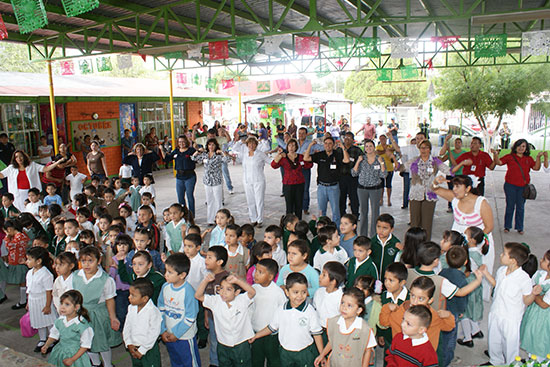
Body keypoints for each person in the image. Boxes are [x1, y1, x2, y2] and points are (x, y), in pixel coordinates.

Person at [432, 175, 496, 300]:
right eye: (453, 186)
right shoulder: (454, 199)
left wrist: (472, 242)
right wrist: (435, 181)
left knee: (477, 270)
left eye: (458, 186)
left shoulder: (481, 203)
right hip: (458, 239)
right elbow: (434, 189)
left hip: (478, 240)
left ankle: (476, 299)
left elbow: (489, 226)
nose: (454, 190)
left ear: (468, 188)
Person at [481, 242, 541, 365]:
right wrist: (486, 274)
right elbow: (497, 285)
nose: (501, 255)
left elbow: (526, 301)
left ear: (513, 260)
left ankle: (511, 363)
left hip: (511, 318)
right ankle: (495, 360)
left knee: (510, 345)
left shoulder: (524, 278)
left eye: (504, 254)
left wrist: (533, 294)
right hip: (496, 312)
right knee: (494, 340)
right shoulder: (501, 271)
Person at [251, 272, 324, 366]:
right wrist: (256, 336)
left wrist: (322, 354)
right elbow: (271, 328)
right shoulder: (281, 309)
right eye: (295, 292)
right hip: (285, 352)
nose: (300, 296)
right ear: (287, 292)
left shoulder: (310, 311)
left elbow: (317, 334)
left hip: (305, 352)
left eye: (304, 292)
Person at [70, 246, 121, 367]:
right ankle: (96, 363)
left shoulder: (105, 280)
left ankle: (108, 364)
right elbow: (71, 296)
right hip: (81, 314)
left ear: (98, 261)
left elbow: (110, 300)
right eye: (83, 261)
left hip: (98, 315)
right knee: (86, 342)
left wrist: (113, 317)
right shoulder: (76, 276)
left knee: (101, 342)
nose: (87, 265)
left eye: (90, 261)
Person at [196, 273, 256, 366]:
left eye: (228, 289)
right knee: (224, 363)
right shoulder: (216, 301)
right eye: (221, 288)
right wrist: (205, 281)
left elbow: (252, 292)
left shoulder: (241, 300)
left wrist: (237, 281)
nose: (223, 292)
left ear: (236, 292)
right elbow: (198, 296)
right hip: (223, 343)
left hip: (241, 343)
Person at [157, 253, 201, 367]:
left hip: (185, 337)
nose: (166, 274)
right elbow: (160, 309)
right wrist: (163, 330)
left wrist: (176, 333)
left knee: (190, 362)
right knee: (175, 361)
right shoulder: (165, 287)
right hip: (169, 334)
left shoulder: (189, 291)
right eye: (166, 270)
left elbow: (190, 317)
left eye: (170, 272)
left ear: (182, 275)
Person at [315, 287, 377, 367]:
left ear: (358, 310)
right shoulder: (334, 322)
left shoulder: (365, 329)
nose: (344, 307)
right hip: (335, 363)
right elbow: (332, 342)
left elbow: (368, 351)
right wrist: (322, 355)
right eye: (342, 303)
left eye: (349, 305)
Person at [492, 139, 542, 234]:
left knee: (520, 207)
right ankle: (507, 226)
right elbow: (499, 162)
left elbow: (536, 167)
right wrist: (495, 154)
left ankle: (519, 227)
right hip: (510, 186)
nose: (521, 148)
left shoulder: (528, 159)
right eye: (519, 146)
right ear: (515, 147)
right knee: (510, 206)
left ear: (526, 148)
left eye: (523, 146)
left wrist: (539, 158)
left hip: (523, 187)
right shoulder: (510, 157)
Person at [406, 140, 449, 240]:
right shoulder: (414, 160)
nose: (423, 150)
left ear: (430, 149)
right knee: (414, 224)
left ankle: (425, 247)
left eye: (426, 147)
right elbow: (400, 167)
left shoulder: (435, 161)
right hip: (415, 194)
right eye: (422, 148)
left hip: (430, 195)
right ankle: (413, 246)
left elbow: (448, 170)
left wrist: (459, 164)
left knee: (427, 224)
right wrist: (393, 158)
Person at [304, 136, 350, 226]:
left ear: (333, 145)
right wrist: (310, 145)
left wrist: (343, 147)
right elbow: (306, 158)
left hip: (334, 187)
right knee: (321, 212)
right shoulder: (320, 154)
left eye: (330, 143)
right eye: (326, 143)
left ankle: (336, 232)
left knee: (336, 212)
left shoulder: (338, 154)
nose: (328, 145)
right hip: (321, 187)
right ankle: (322, 231)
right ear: (323, 145)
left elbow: (347, 160)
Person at [41, 290, 94, 367]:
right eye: (61, 303)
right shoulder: (60, 320)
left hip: (76, 355)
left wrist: (72, 359)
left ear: (76, 307)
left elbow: (85, 346)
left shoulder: (82, 325)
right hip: (60, 351)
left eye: (67, 304)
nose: (62, 307)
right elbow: (54, 334)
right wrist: (47, 345)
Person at [250, 258, 286, 366]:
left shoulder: (278, 293)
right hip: (255, 332)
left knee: (274, 360)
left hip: (272, 335)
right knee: (256, 360)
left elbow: (283, 313)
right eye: (256, 271)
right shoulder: (253, 289)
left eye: (260, 272)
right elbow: (250, 310)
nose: (256, 274)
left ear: (270, 277)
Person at [25, 247, 58, 352]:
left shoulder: (46, 274)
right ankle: (42, 339)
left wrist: (48, 305)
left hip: (43, 300)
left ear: (38, 261)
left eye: (29, 259)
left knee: (49, 321)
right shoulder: (30, 273)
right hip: (33, 300)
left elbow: (49, 291)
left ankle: (52, 339)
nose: (27, 262)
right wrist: (28, 302)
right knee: (38, 321)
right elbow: (28, 289)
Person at [232, 136, 271, 226]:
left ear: (256, 145)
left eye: (253, 143)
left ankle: (260, 220)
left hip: (258, 180)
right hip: (247, 181)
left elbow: (270, 161)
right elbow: (238, 159)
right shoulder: (245, 154)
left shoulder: (260, 154)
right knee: (250, 201)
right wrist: (230, 156)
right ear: (247, 145)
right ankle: (253, 218)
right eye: (249, 143)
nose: (251, 145)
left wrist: (280, 157)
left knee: (259, 200)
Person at [123, 278, 162, 367]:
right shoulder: (131, 307)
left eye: (133, 295)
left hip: (148, 349)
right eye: (130, 294)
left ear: (144, 298)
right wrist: (128, 343)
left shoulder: (153, 311)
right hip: (134, 347)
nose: (129, 297)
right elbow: (127, 326)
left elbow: (153, 333)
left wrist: (142, 350)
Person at [352, 139, 387, 237]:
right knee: (363, 212)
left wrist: (382, 163)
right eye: (366, 146)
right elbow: (354, 173)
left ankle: (374, 235)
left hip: (375, 189)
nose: (368, 148)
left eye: (370, 146)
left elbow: (384, 175)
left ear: (374, 147)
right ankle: (363, 234)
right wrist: (358, 162)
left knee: (375, 213)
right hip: (362, 189)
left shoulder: (379, 159)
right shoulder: (361, 159)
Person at [192, 138, 231, 225]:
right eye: (209, 145)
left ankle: (220, 219)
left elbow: (227, 159)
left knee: (218, 200)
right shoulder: (205, 155)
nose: (211, 147)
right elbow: (193, 158)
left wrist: (222, 152)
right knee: (210, 201)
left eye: (213, 145)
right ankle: (210, 219)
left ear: (216, 146)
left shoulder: (218, 155)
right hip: (207, 180)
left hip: (217, 180)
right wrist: (198, 151)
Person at [271, 138, 312, 220]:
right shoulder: (283, 157)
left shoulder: (301, 157)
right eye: (289, 145)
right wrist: (279, 155)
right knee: (289, 206)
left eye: (293, 145)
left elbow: (309, 165)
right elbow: (273, 165)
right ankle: (289, 224)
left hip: (299, 184)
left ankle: (298, 223)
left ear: (296, 147)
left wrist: (307, 156)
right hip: (288, 184)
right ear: (287, 147)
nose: (291, 147)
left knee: (298, 205)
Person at [520, 249, 550, 358]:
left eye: (544, 259)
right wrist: (538, 295)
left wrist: (534, 294)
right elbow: (530, 288)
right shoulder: (539, 274)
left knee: (540, 342)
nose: (541, 260)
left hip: (544, 319)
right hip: (532, 313)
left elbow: (544, 304)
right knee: (530, 336)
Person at [162, 135, 198, 215]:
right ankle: (183, 214)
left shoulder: (191, 150)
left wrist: (198, 151)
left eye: (183, 141)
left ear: (186, 142)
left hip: (189, 176)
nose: (181, 143)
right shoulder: (176, 151)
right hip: (179, 176)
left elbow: (197, 158)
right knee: (180, 197)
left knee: (189, 196)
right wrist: (162, 151)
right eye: (180, 142)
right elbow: (167, 159)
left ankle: (191, 214)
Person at [312, 261, 346, 329]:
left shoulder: (342, 298)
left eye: (324, 275)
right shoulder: (319, 292)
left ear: (333, 281)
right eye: (321, 273)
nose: (320, 276)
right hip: (318, 328)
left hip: (333, 330)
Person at [439, 134, 466, 212]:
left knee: (460, 191)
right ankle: (450, 206)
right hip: (451, 174)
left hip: (460, 174)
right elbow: (442, 160)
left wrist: (449, 151)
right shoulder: (449, 153)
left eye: (459, 142)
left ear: (461, 144)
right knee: (451, 191)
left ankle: (460, 205)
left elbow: (455, 163)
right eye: (456, 142)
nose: (457, 144)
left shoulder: (464, 153)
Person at [371, 214, 401, 280]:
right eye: (378, 227)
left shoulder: (396, 244)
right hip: (373, 279)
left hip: (389, 279)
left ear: (391, 229)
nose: (381, 230)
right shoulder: (371, 243)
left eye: (385, 228)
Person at [339, 132, 362, 218]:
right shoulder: (339, 149)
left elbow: (361, 162)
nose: (347, 140)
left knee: (354, 197)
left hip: (353, 177)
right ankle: (342, 214)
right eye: (345, 138)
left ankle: (355, 214)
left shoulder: (357, 150)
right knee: (341, 197)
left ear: (353, 140)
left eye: (349, 138)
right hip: (341, 177)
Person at [376, 134, 398, 207]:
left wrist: (387, 149)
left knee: (389, 185)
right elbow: (378, 152)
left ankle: (389, 199)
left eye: (384, 139)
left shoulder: (390, 146)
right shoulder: (378, 147)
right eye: (381, 139)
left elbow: (395, 148)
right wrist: (386, 150)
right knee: (381, 185)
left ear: (386, 139)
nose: (383, 140)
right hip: (381, 169)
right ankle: (381, 199)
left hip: (389, 168)